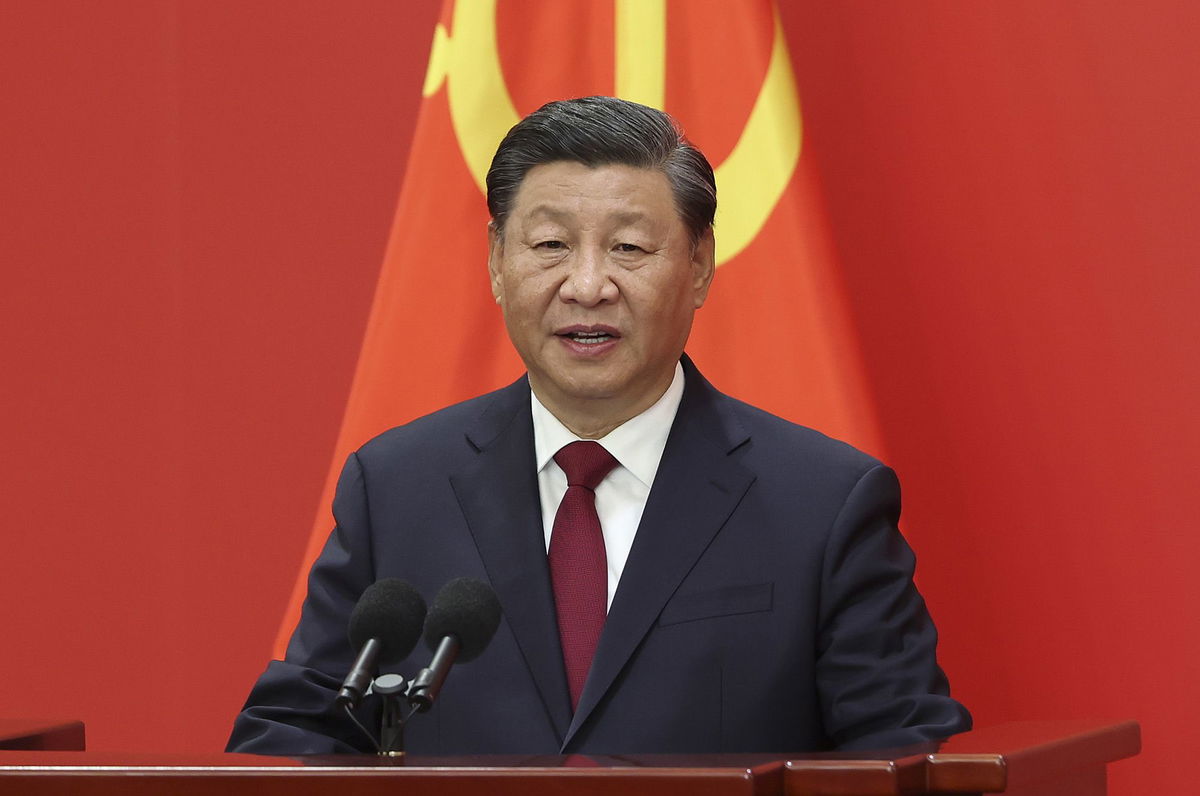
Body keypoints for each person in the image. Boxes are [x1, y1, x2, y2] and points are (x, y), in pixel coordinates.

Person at [228, 96, 971, 756]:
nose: (587, 285)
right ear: (495, 261)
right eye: (550, 245)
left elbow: (903, 754)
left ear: (700, 264)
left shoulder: (823, 502)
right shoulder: (395, 486)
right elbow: (300, 729)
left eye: (629, 248)